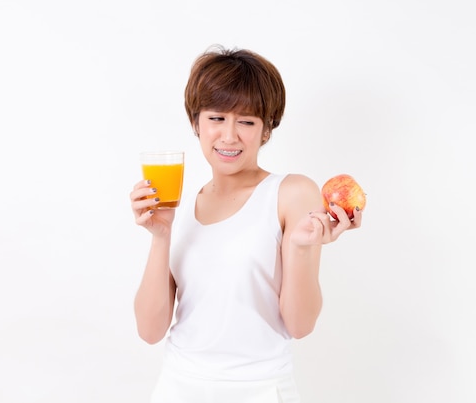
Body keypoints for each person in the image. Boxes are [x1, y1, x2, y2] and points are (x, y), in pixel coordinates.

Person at [129, 45, 363, 403]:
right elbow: (149, 331)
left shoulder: (291, 192)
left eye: (247, 122)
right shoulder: (181, 203)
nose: (229, 135)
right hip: (177, 387)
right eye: (217, 118)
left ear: (266, 130)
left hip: (261, 390)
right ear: (196, 122)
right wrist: (160, 236)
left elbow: (300, 326)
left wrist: (301, 248)